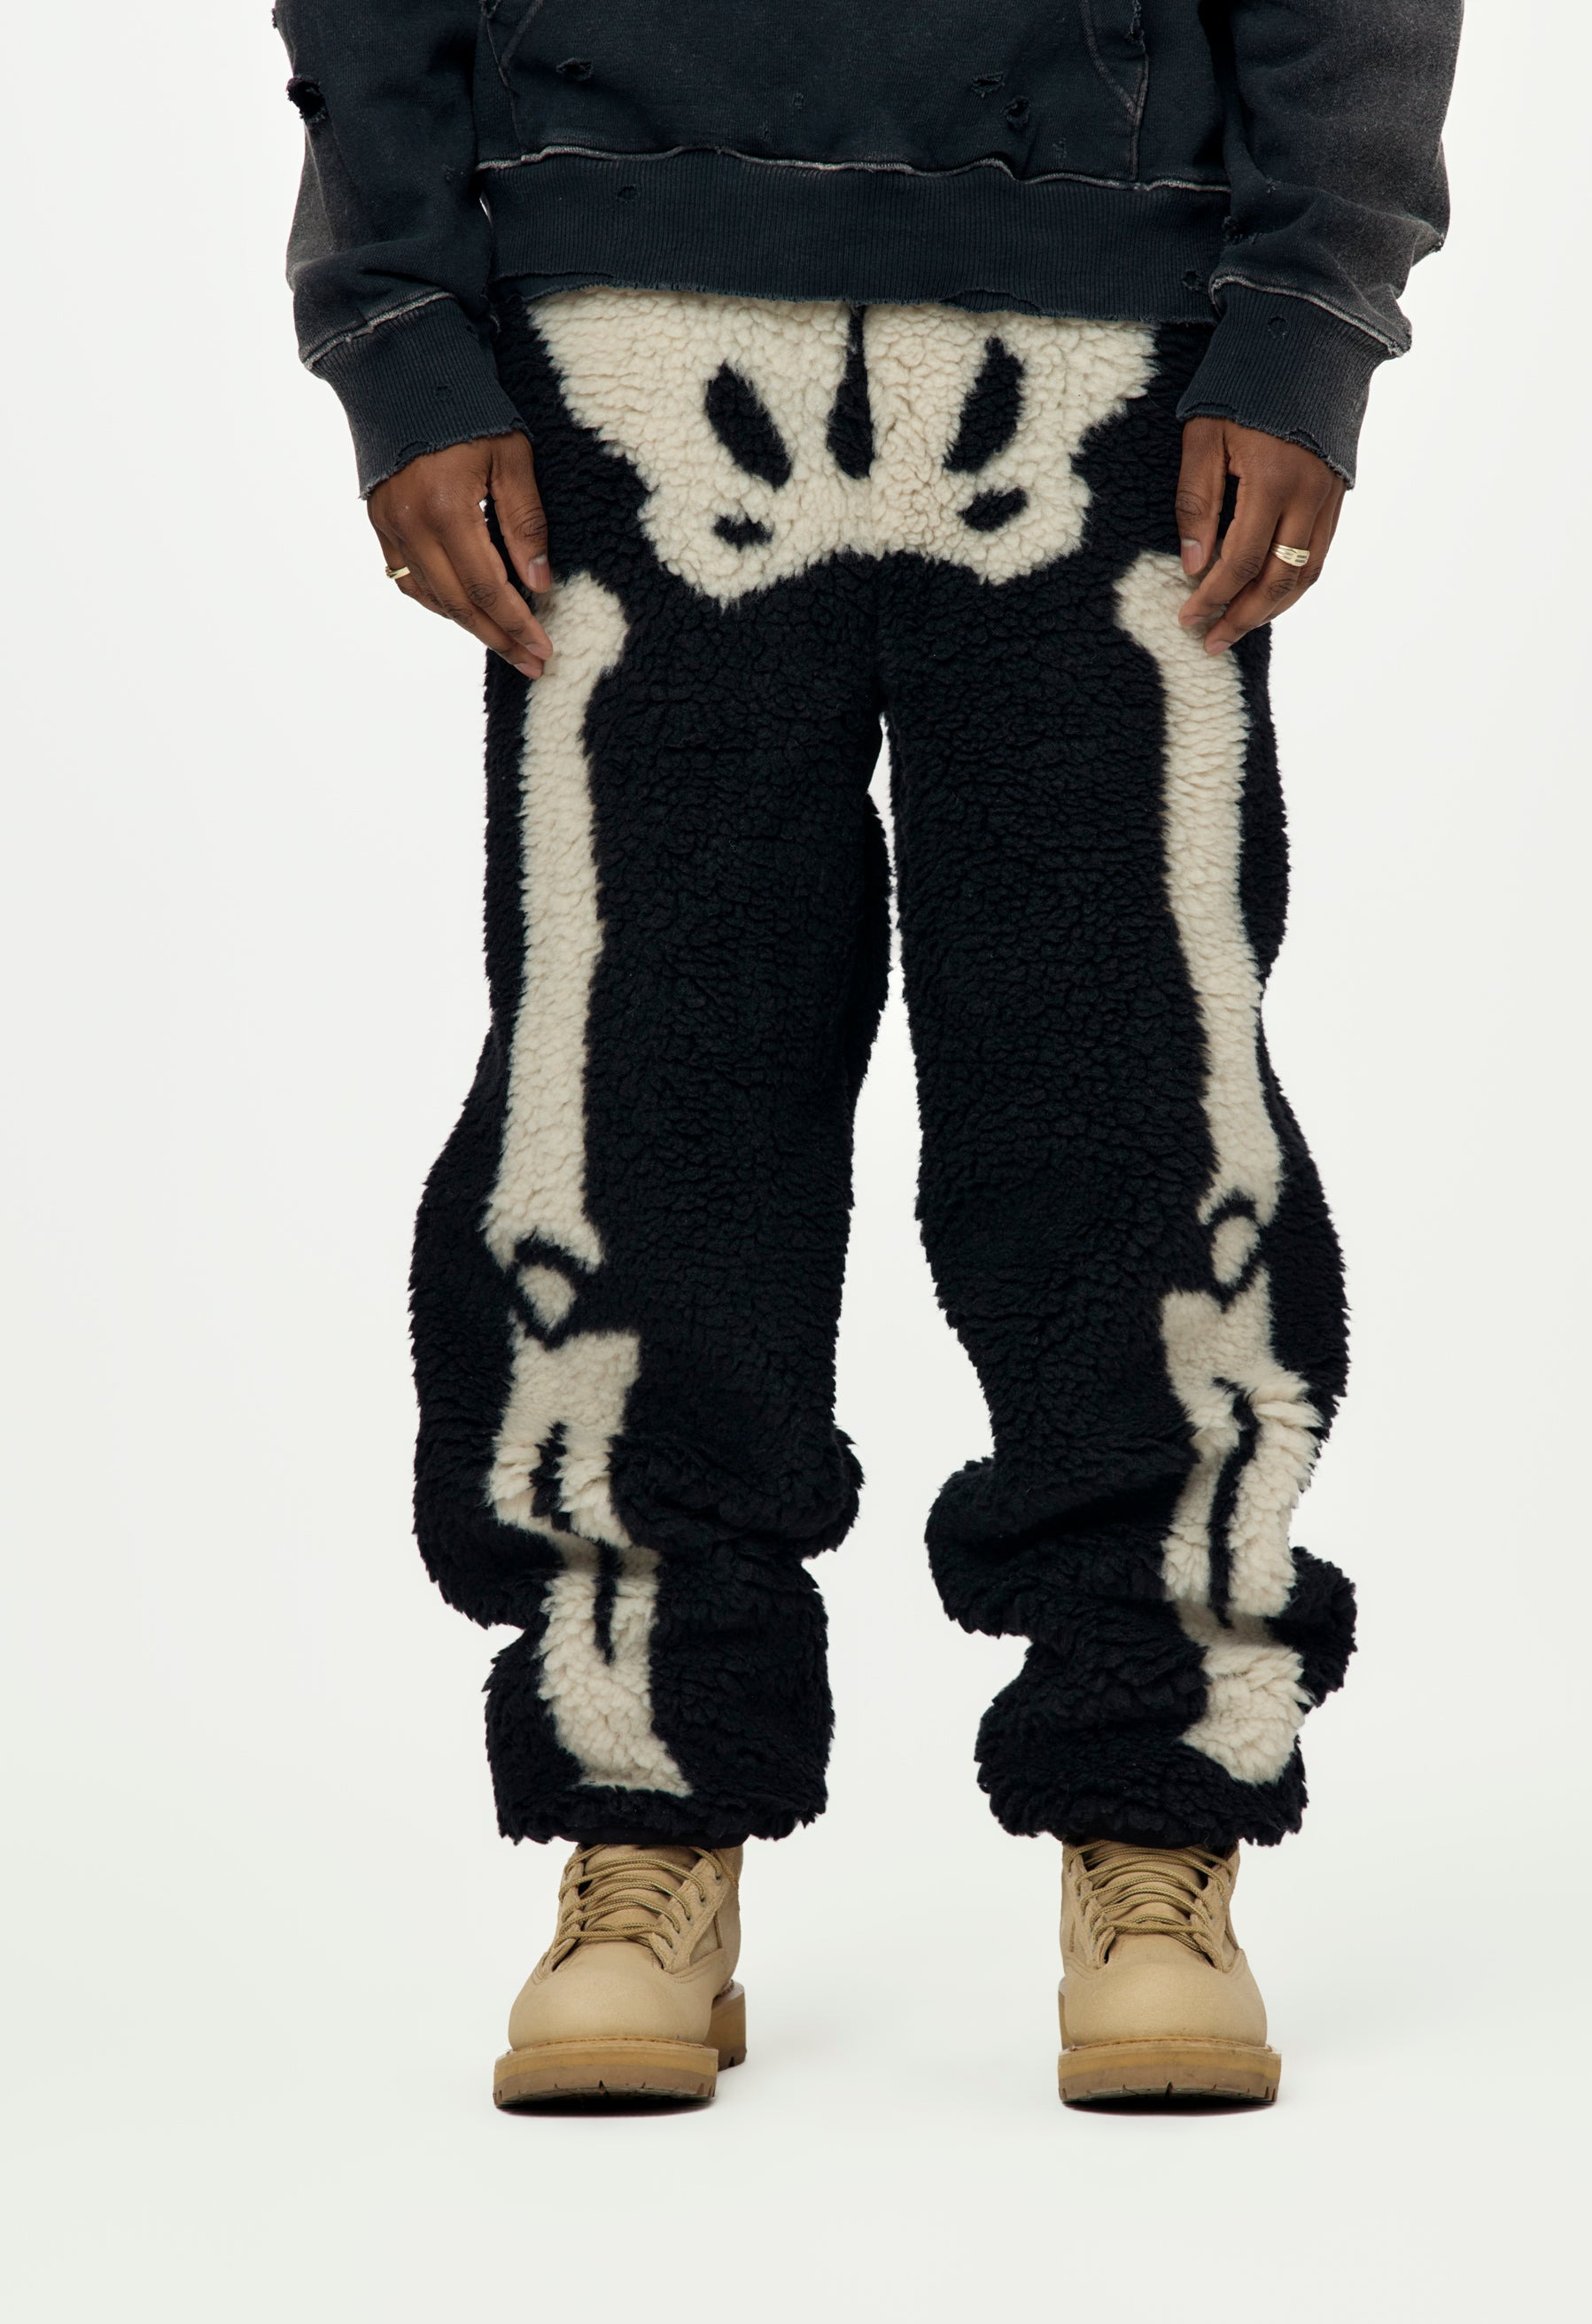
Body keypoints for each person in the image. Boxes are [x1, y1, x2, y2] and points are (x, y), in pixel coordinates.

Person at [276, 0, 1460, 2109]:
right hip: (621, 309)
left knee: (1128, 1085)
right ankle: (646, 1808)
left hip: (1112, 319)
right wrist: (395, 322)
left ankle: (1158, 1804)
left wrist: (1306, 309)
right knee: (633, 1089)